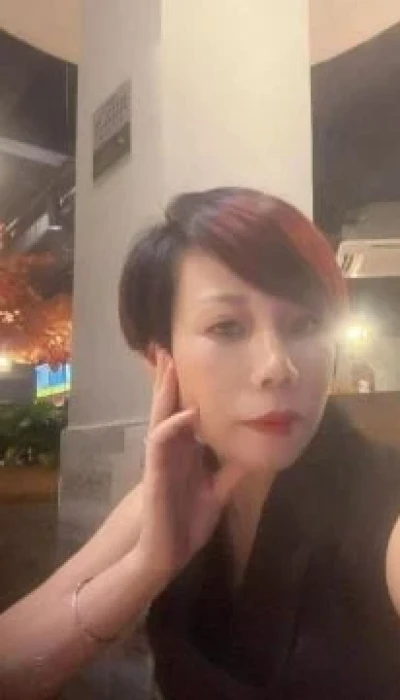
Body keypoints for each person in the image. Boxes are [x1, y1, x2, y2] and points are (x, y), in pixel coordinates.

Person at [0, 187, 399, 700]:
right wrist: (148, 565)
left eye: (306, 324)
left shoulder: (379, 506)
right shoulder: (178, 488)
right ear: (159, 361)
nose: (277, 367)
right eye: (228, 327)